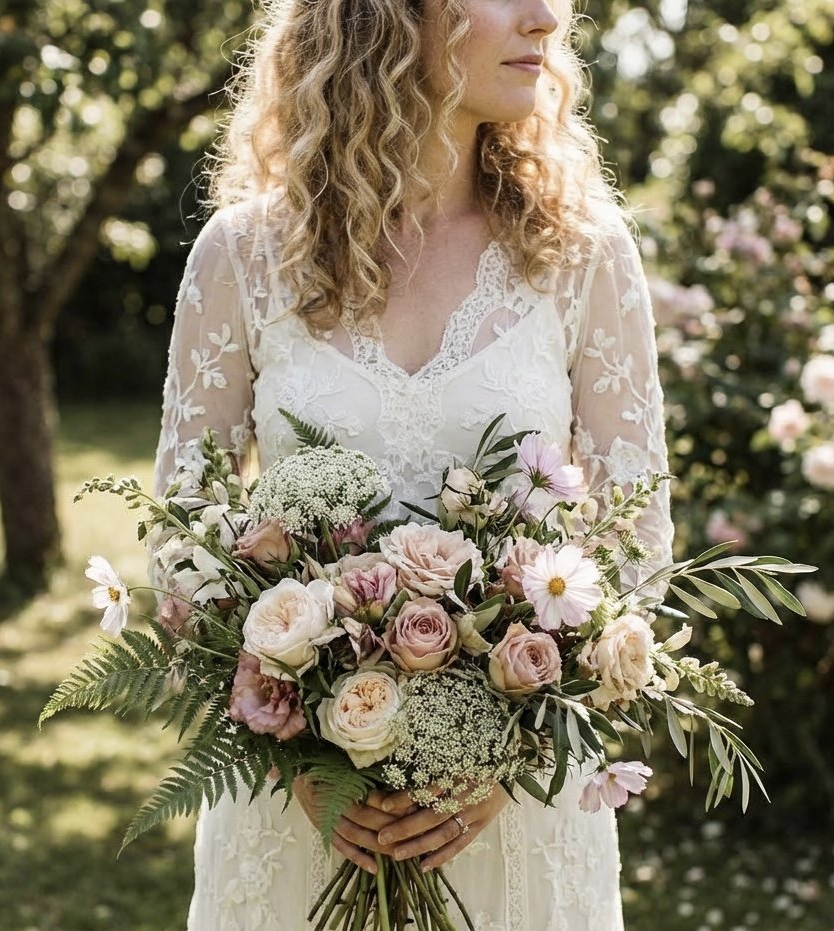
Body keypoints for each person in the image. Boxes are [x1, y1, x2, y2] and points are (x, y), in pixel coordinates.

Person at [153, 0, 674, 927]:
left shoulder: (582, 253)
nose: (546, 18)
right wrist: (300, 754)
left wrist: (507, 760)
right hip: (296, 810)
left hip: (514, 816)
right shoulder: (243, 255)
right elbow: (181, 538)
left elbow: (635, 541)